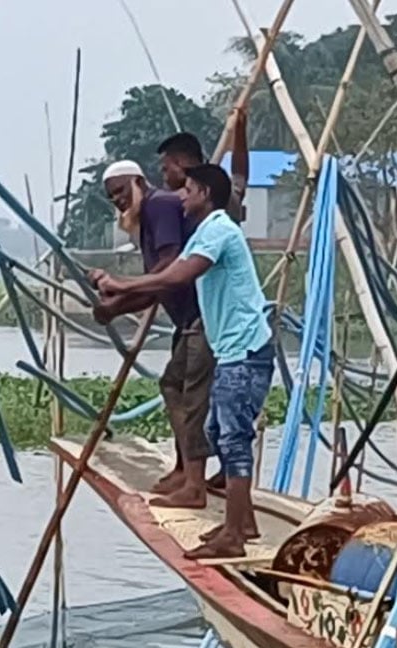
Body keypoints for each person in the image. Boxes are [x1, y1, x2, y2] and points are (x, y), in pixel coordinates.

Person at [97, 162, 274, 559]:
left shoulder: (218, 230)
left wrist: (120, 285)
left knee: (232, 438)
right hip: (232, 350)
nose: (181, 196)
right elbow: (170, 274)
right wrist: (119, 296)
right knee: (219, 431)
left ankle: (233, 535)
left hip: (244, 350)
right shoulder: (205, 232)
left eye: (188, 190)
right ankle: (243, 523)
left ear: (205, 194)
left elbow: (176, 278)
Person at [90, 159, 213, 509]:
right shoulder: (146, 222)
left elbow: (169, 270)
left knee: (189, 397)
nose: (118, 200)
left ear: (139, 183)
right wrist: (116, 304)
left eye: (121, 191)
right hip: (186, 322)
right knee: (174, 387)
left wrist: (117, 290)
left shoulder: (159, 205)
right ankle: (184, 470)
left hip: (201, 321)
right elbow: (156, 288)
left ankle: (193, 483)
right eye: (111, 196)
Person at [155, 113, 251, 491]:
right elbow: (240, 174)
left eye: (167, 169)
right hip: (195, 318)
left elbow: (239, 177)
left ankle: (193, 474)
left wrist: (131, 287)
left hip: (209, 321)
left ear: (182, 166)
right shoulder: (189, 205)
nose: (165, 178)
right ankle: (198, 468)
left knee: (199, 396)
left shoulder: (213, 209)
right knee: (183, 388)